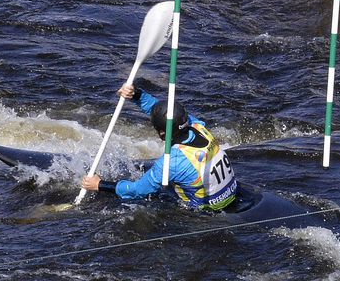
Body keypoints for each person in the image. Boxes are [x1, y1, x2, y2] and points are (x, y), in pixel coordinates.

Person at [80, 85, 239, 211]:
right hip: (230, 195)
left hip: (205, 211)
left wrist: (99, 185)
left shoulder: (171, 163)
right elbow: (164, 112)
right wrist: (136, 95)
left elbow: (137, 191)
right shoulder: (198, 127)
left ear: (162, 133)